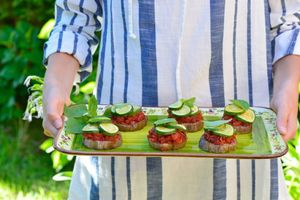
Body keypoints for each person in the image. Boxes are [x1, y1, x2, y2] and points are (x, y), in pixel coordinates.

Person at [42, 0, 300, 199]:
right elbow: (76, 18)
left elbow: (290, 19)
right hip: (123, 155)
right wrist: (56, 83)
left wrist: (287, 88)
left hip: (240, 152)